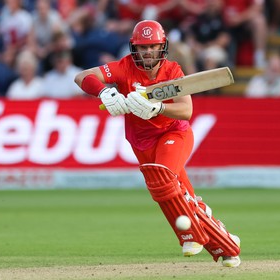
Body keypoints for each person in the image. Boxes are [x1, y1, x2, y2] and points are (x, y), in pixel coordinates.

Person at [74, 20, 241, 267]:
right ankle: (228, 245)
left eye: (153, 46)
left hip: (174, 134)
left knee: (161, 177)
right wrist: (104, 92)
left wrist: (159, 107)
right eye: (143, 47)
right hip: (141, 142)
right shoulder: (124, 67)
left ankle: (190, 235)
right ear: (135, 48)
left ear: (162, 46)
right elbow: (82, 76)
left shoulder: (173, 70)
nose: (148, 51)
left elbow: (185, 111)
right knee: (182, 195)